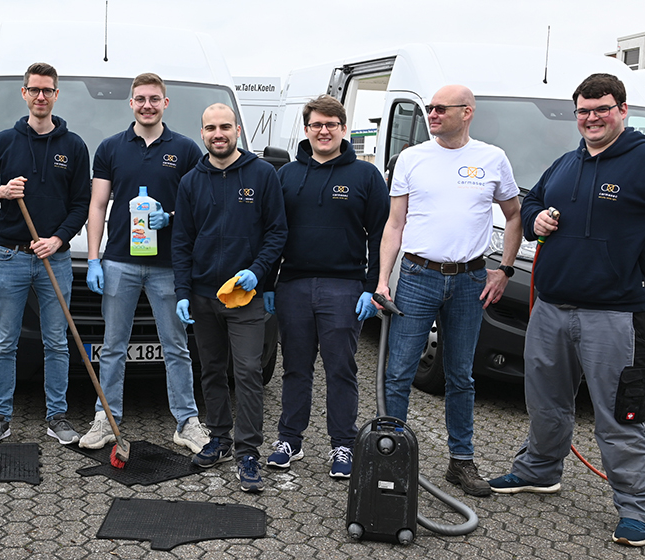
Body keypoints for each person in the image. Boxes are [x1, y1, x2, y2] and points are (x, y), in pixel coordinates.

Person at [489, 73, 645, 547]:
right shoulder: (566, 164)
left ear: (622, 111)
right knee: (545, 400)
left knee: (620, 412)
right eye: (584, 111)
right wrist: (535, 219)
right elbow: (532, 203)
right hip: (552, 308)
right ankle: (539, 470)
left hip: (616, 315)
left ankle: (635, 508)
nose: (591, 118)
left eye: (601, 109)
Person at [374, 84, 521, 497]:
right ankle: (390, 455)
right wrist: (384, 279)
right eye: (429, 109)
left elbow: (514, 216)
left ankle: (461, 461)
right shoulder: (412, 158)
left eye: (441, 108)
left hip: (471, 279)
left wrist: (504, 270)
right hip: (419, 275)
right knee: (399, 371)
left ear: (467, 112)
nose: (432, 114)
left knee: (460, 375)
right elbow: (394, 224)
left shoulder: (492, 159)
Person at [80, 73, 209, 453]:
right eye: (141, 99)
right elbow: (98, 205)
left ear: (165, 103)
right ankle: (107, 418)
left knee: (176, 346)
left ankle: (186, 422)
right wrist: (93, 259)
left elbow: (195, 206)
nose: (147, 105)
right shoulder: (110, 148)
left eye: (154, 99)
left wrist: (169, 216)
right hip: (119, 261)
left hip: (169, 264)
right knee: (113, 345)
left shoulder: (185, 150)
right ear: (131, 103)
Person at [0, 62, 90, 446]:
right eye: (34, 90)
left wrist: (59, 240)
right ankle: (0, 417)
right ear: (24, 93)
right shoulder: (4, 141)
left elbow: (81, 204)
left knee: (56, 340)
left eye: (47, 90)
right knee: (5, 341)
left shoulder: (73, 146)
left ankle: (57, 417)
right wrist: (0, 192)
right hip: (10, 257)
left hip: (55, 258)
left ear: (55, 95)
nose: (40, 96)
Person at [264, 96, 389, 478]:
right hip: (294, 286)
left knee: (341, 370)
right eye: (317, 125)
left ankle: (343, 446)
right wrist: (270, 284)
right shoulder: (285, 176)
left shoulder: (365, 177)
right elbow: (273, 234)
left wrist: (372, 287)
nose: (324, 131)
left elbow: (381, 234)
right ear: (306, 130)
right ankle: (290, 439)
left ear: (343, 128)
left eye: (331, 125)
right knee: (295, 368)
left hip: (345, 288)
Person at [173, 103, 287, 492]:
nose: (218, 133)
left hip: (245, 296)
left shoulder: (263, 175)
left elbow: (277, 232)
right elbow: (182, 241)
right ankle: (219, 439)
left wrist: (258, 272)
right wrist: (182, 292)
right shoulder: (190, 181)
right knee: (211, 370)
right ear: (201, 133)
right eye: (210, 128)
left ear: (237, 129)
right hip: (203, 297)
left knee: (249, 372)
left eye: (225, 126)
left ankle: (248, 451)